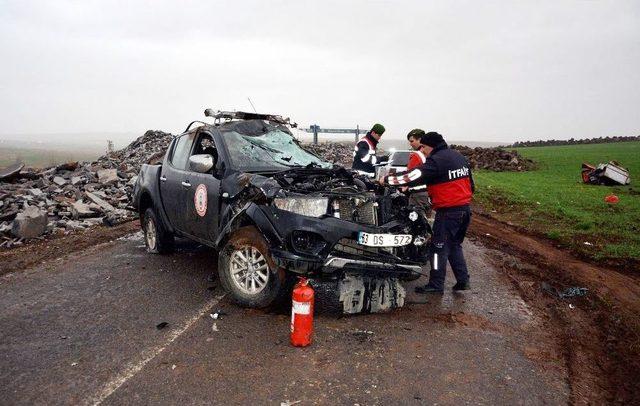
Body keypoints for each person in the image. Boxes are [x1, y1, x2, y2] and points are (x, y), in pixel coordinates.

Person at [380, 131, 474, 293]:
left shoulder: (437, 161)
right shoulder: (458, 157)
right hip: (464, 210)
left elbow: (412, 176)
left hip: (449, 212)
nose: (421, 150)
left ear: (431, 146)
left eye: (423, 147)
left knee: (437, 249)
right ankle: (462, 280)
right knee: (454, 245)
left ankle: (436, 285)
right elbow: (471, 185)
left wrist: (386, 180)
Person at [404, 129, 430, 218]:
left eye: (412, 141)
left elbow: (409, 175)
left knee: (416, 220)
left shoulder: (416, 155)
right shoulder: (429, 155)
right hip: (428, 193)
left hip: (417, 194)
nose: (410, 144)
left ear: (420, 140)